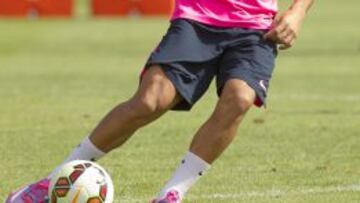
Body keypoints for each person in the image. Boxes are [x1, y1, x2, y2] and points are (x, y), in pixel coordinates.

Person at [6, 0, 314, 202]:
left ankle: (170, 195)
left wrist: (298, 11)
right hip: (195, 19)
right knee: (150, 100)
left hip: (256, 27)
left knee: (240, 98)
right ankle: (50, 183)